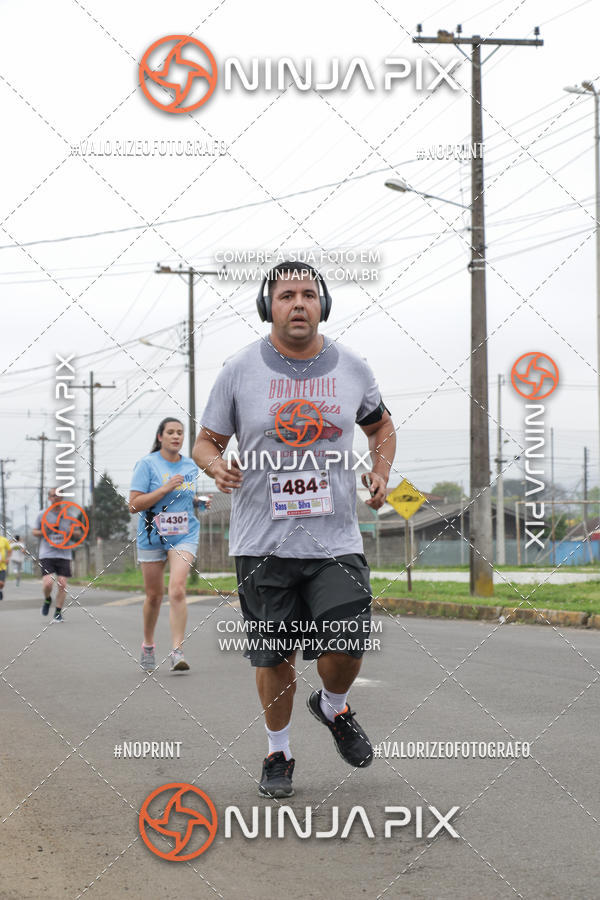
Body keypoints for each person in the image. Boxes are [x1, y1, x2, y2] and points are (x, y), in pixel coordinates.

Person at [194, 261, 396, 798]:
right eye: (287, 296)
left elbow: (380, 426)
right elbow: (206, 440)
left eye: (309, 294)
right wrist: (216, 466)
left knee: (347, 646)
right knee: (275, 658)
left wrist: (380, 471)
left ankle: (332, 707)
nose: (299, 304)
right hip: (262, 541)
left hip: (335, 539)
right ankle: (278, 752)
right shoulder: (238, 370)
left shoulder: (352, 366)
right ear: (270, 307)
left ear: (322, 304)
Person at [129, 417, 201, 674]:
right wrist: (164, 488)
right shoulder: (147, 465)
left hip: (184, 534)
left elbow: (185, 498)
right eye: (170, 432)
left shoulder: (191, 466)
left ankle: (177, 650)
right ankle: (148, 643)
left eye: (180, 433)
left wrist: (200, 502)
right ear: (160, 436)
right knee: (154, 596)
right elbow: (134, 504)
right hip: (152, 535)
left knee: (178, 589)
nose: (176, 436)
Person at [32, 488, 73, 622]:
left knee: (62, 584)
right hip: (47, 553)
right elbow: (34, 532)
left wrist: (69, 532)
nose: (56, 497)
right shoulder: (42, 514)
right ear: (49, 498)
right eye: (53, 495)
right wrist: (46, 530)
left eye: (58, 495)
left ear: (62, 498)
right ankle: (48, 599)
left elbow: (79, 532)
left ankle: (58, 612)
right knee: (48, 583)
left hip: (64, 553)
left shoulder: (69, 514)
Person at [0, 533, 11, 601]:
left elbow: (9, 550)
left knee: (1, 583)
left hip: (2, 566)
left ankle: (0, 590)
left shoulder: (4, 540)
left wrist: (8, 558)